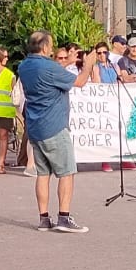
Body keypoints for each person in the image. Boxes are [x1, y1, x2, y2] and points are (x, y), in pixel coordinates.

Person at [17, 30, 95, 232]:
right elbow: (79, 82)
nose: (52, 49)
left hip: (35, 126)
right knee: (67, 172)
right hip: (54, 126)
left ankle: (44, 218)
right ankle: (64, 217)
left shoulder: (24, 66)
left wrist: (68, 62)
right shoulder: (50, 68)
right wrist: (87, 66)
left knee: (43, 174)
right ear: (44, 47)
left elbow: (50, 71)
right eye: (50, 46)